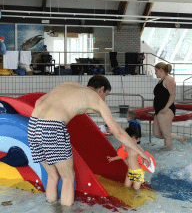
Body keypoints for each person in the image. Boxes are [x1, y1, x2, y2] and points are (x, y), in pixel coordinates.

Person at [27, 75, 150, 206]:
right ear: (101, 89)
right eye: (105, 95)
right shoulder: (95, 98)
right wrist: (141, 152)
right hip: (52, 128)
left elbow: (39, 102)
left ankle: (50, 207)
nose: (103, 99)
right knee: (68, 178)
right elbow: (119, 132)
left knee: (52, 176)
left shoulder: (68, 84)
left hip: (33, 125)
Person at [153, 62, 186, 148]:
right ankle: (180, 138)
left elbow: (173, 94)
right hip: (159, 110)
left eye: (156, 71)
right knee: (156, 134)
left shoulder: (169, 79)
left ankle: (167, 154)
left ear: (161, 70)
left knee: (166, 135)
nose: (155, 73)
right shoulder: (161, 80)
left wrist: (166, 108)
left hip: (166, 110)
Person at [107, 125, 145, 190]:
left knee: (136, 189)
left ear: (137, 139)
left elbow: (144, 158)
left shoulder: (139, 149)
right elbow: (123, 156)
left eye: (132, 141)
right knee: (126, 187)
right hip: (130, 172)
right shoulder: (125, 147)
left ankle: (137, 198)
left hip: (138, 173)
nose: (130, 143)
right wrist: (113, 158)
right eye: (128, 141)